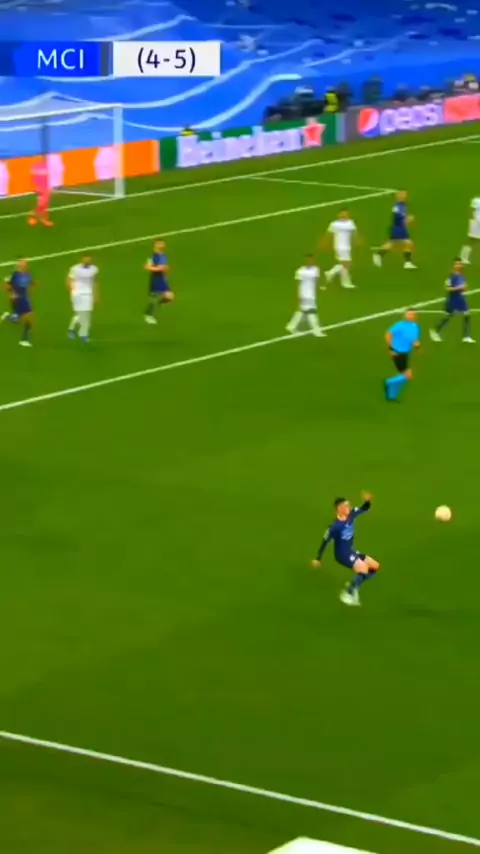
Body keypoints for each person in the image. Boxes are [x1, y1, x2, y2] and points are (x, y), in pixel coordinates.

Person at [311, 493, 380, 606]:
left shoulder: (351, 514)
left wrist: (368, 501)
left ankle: (354, 585)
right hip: (342, 555)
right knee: (363, 569)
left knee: (375, 566)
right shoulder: (335, 527)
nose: (349, 507)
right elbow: (325, 541)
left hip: (351, 551)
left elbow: (364, 508)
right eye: (346, 506)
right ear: (339, 508)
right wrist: (318, 559)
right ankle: (348, 593)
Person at [429, 259, 475, 344]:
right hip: (453, 299)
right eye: (456, 264)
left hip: (460, 298)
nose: (458, 265)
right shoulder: (451, 276)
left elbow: (464, 287)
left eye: (459, 264)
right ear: (454, 265)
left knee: (467, 313)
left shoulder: (462, 275)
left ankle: (466, 336)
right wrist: (459, 288)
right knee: (448, 316)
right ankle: (435, 330)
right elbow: (447, 288)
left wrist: (464, 288)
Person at [373, 190, 416, 269]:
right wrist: (408, 219)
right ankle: (407, 263)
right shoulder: (399, 206)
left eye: (405, 194)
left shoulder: (402, 205)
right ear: (399, 196)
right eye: (403, 194)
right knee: (408, 244)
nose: (405, 196)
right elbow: (398, 216)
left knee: (393, 244)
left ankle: (378, 255)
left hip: (398, 227)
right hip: (399, 228)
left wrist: (407, 220)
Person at [384, 309, 421, 401]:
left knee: (405, 375)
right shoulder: (400, 325)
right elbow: (388, 334)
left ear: (415, 316)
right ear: (405, 315)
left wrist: (417, 347)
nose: (410, 316)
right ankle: (389, 383)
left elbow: (414, 340)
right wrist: (390, 348)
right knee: (408, 376)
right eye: (408, 314)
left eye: (412, 314)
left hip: (406, 353)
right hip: (397, 353)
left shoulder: (415, 326)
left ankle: (391, 396)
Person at [286, 254, 324, 337]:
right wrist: (298, 295)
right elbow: (298, 284)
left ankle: (291, 326)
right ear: (305, 260)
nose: (310, 261)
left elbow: (316, 281)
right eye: (308, 260)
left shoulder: (315, 269)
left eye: (312, 260)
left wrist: (318, 289)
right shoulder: (300, 271)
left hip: (311, 294)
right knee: (312, 311)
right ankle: (316, 331)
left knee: (302, 311)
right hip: (304, 294)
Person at [2, 259, 35, 347]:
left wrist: (31, 286)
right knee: (29, 316)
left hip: (23, 298)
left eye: (26, 265)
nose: (27, 266)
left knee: (19, 317)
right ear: (19, 266)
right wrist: (12, 293)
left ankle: (7, 316)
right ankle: (24, 340)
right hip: (18, 299)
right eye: (24, 265)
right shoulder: (14, 275)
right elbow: (6, 285)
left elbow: (27, 284)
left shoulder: (27, 274)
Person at [67, 255, 99, 343]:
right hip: (77, 294)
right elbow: (69, 280)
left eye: (89, 259)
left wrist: (95, 295)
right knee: (81, 314)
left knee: (85, 314)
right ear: (82, 259)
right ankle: (83, 335)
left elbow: (94, 282)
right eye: (85, 258)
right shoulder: (75, 268)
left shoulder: (94, 269)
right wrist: (72, 292)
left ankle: (72, 330)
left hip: (88, 294)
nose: (87, 260)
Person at [323, 209, 357, 289]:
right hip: (339, 246)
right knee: (346, 264)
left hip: (347, 246)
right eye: (342, 214)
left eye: (346, 214)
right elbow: (328, 234)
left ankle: (331, 274)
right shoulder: (334, 224)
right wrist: (326, 244)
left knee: (346, 264)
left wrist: (356, 241)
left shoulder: (350, 223)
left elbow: (354, 233)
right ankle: (344, 282)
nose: (344, 215)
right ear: (339, 214)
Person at [144, 238, 174, 325]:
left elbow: (164, 267)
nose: (162, 245)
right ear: (156, 245)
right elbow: (147, 267)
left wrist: (165, 270)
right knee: (154, 298)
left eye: (163, 243)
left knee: (170, 297)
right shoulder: (153, 256)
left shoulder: (163, 255)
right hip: (156, 279)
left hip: (162, 279)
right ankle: (148, 315)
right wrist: (158, 268)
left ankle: (156, 306)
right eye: (160, 243)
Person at [29, 160, 53, 227]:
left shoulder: (47, 166)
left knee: (46, 204)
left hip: (47, 188)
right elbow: (33, 178)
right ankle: (32, 216)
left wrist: (50, 187)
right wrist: (35, 188)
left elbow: (48, 178)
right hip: (40, 188)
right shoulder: (35, 166)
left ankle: (45, 219)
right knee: (41, 204)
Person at [459, 198, 480, 265]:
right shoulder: (477, 200)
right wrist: (473, 221)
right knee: (472, 240)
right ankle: (463, 257)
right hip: (476, 223)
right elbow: (471, 210)